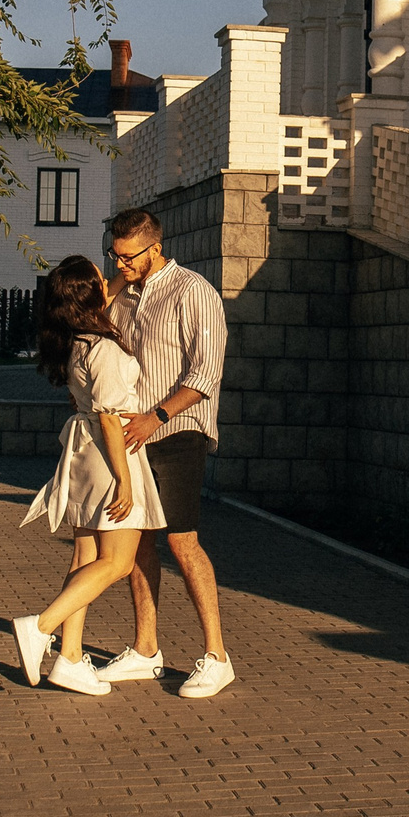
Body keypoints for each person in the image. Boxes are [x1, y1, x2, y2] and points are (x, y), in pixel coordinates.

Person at [89, 206, 236, 698]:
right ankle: (146, 650)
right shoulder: (122, 295)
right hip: (133, 437)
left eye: (128, 256)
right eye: (114, 254)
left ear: (155, 247)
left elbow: (206, 374)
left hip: (179, 431)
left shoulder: (194, 291)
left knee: (182, 541)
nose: (120, 263)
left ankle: (217, 657)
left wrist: (157, 416)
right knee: (138, 543)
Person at [10, 255, 167, 695]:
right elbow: (113, 417)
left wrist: (137, 264)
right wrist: (126, 479)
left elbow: (102, 289)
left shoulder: (77, 339)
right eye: (100, 277)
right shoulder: (107, 349)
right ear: (90, 296)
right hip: (108, 454)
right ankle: (40, 626)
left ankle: (71, 659)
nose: (108, 278)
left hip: (81, 454)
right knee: (117, 562)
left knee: (83, 560)